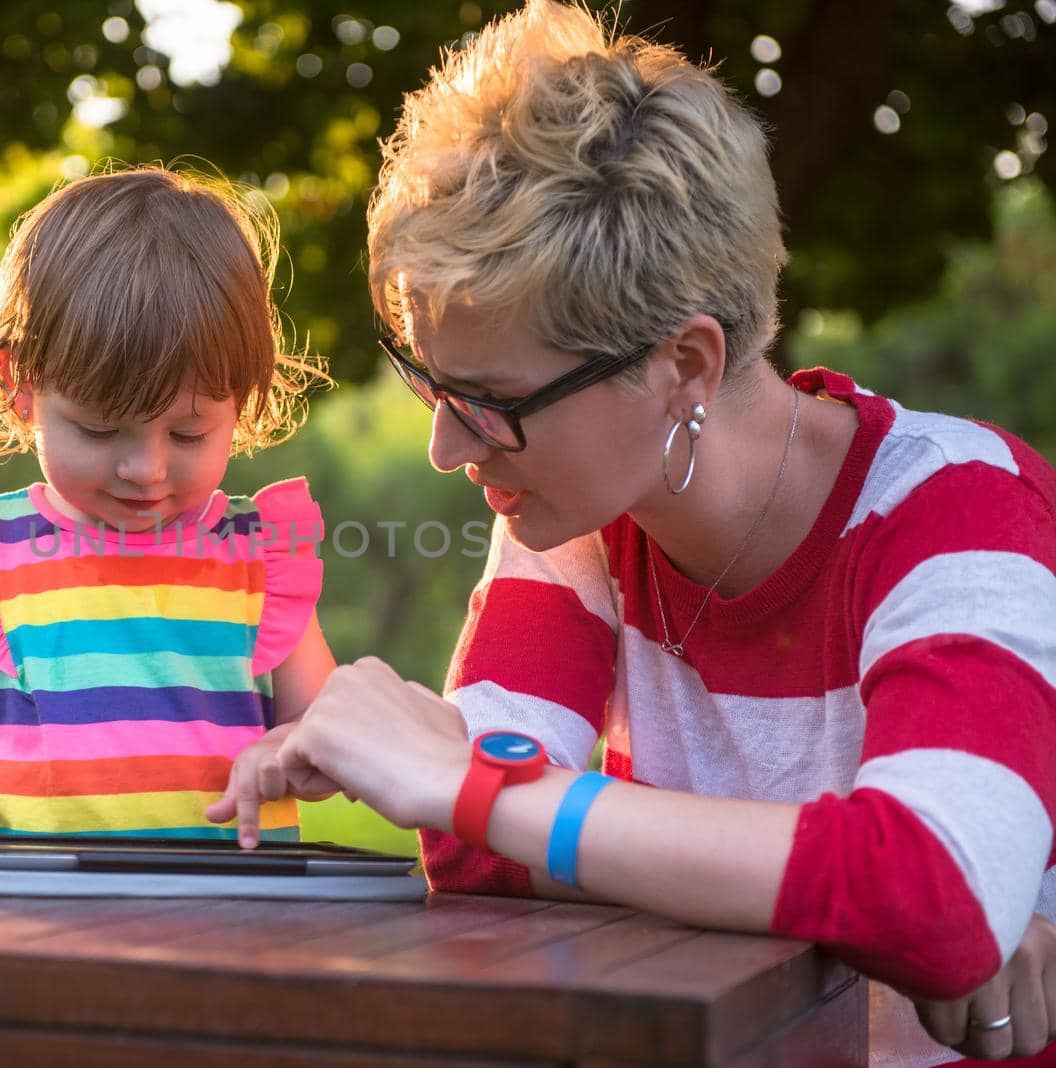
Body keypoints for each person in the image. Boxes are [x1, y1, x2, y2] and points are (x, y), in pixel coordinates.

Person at [232, 3, 1054, 1063]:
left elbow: (930, 895)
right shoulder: (572, 517)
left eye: (490, 399)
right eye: (431, 385)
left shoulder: (961, 508)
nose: (447, 446)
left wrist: (485, 786)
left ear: (685, 366)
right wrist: (853, 895)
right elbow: (479, 862)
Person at [0, 165, 335, 860]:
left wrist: (287, 752)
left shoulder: (260, 556)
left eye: (188, 434)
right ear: (20, 384)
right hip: (29, 912)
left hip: (229, 916)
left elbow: (325, 726)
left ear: (242, 398)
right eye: (99, 430)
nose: (144, 468)